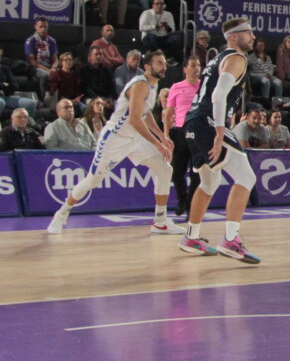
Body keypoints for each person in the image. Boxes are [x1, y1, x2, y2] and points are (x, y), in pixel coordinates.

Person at [46, 51, 179, 236]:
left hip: (135, 139)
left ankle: (160, 221)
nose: (163, 67)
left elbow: (145, 113)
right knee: (93, 180)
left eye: (164, 63)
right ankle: (61, 214)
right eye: (158, 63)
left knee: (165, 169)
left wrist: (162, 136)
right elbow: (134, 119)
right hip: (115, 138)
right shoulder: (140, 84)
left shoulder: (153, 85)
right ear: (147, 67)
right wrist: (158, 144)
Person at [180, 18, 262, 264]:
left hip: (192, 123)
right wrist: (218, 132)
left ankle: (191, 237)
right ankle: (230, 240)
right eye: (248, 33)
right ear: (234, 36)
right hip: (207, 123)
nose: (253, 37)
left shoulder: (217, 59)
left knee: (208, 182)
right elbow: (218, 96)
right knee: (247, 178)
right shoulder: (236, 59)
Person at [163, 56, 201, 218]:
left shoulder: (204, 87)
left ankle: (190, 206)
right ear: (185, 69)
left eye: (198, 65)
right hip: (180, 132)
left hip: (199, 132)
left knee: (196, 173)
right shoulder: (176, 87)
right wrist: (166, 135)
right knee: (177, 171)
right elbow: (168, 113)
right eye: (193, 65)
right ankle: (182, 199)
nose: (196, 68)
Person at [24, 16, 57, 99]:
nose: (43, 29)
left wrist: (53, 68)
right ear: (35, 27)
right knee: (44, 75)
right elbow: (32, 61)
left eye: (45, 27)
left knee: (61, 74)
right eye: (41, 27)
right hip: (34, 68)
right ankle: (41, 99)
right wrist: (48, 70)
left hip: (49, 67)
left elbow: (55, 58)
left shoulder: (51, 41)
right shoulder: (30, 41)